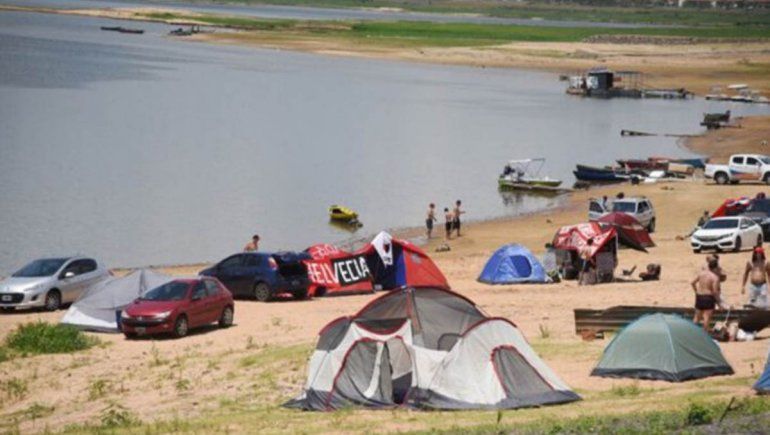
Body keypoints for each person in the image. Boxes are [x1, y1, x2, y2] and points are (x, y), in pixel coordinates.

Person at [691, 256, 723, 332]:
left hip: (699, 297)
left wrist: (696, 292)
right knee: (706, 318)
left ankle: (691, 333)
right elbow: (715, 292)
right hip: (708, 298)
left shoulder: (701, 273)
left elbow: (692, 283)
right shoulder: (715, 277)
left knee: (696, 318)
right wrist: (719, 304)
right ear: (715, 268)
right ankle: (705, 335)